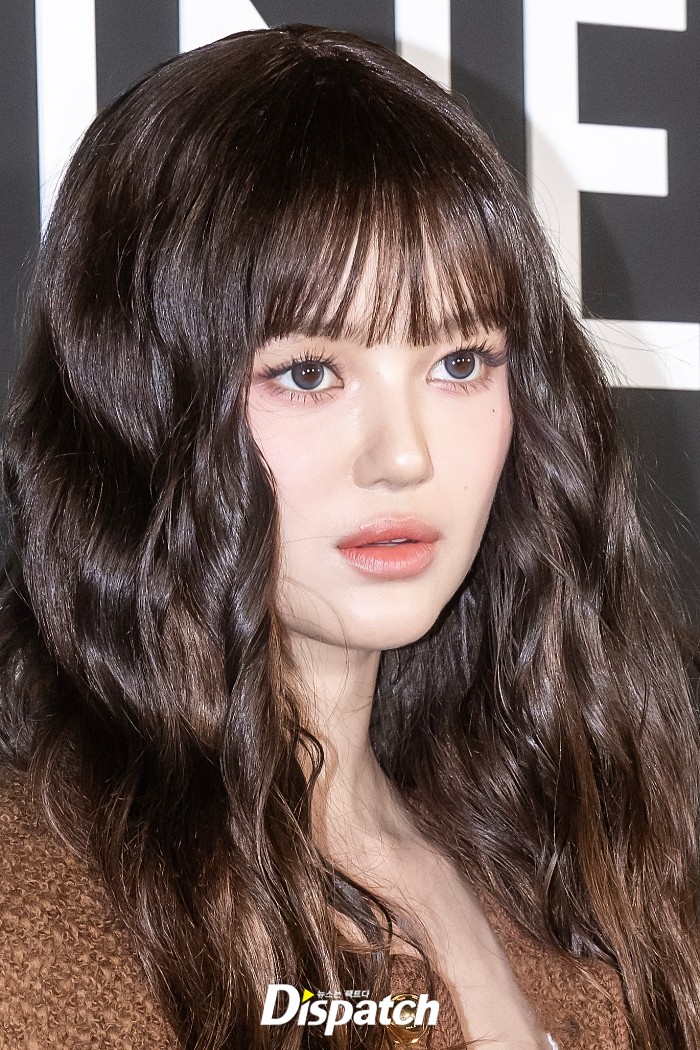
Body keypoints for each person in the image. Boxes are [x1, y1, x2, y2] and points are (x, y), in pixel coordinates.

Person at [0, 22, 697, 1050]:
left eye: (459, 362)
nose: (404, 458)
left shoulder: (597, 846)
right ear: (137, 405)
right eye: (308, 373)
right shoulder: (42, 917)